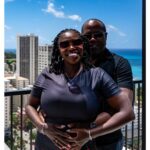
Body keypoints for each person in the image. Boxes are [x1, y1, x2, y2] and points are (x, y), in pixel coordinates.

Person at [25, 28, 135, 150]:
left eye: (77, 42)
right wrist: (42, 127)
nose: (71, 47)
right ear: (58, 49)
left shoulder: (97, 75)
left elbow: (128, 113)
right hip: (45, 145)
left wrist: (89, 134)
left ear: (84, 45)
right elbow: (30, 106)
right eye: (64, 44)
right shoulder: (47, 74)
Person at [78, 18, 134, 149]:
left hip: (108, 141)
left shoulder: (119, 63)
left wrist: (87, 128)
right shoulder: (75, 64)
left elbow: (125, 105)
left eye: (98, 35)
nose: (92, 39)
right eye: (87, 36)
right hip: (76, 140)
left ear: (106, 37)